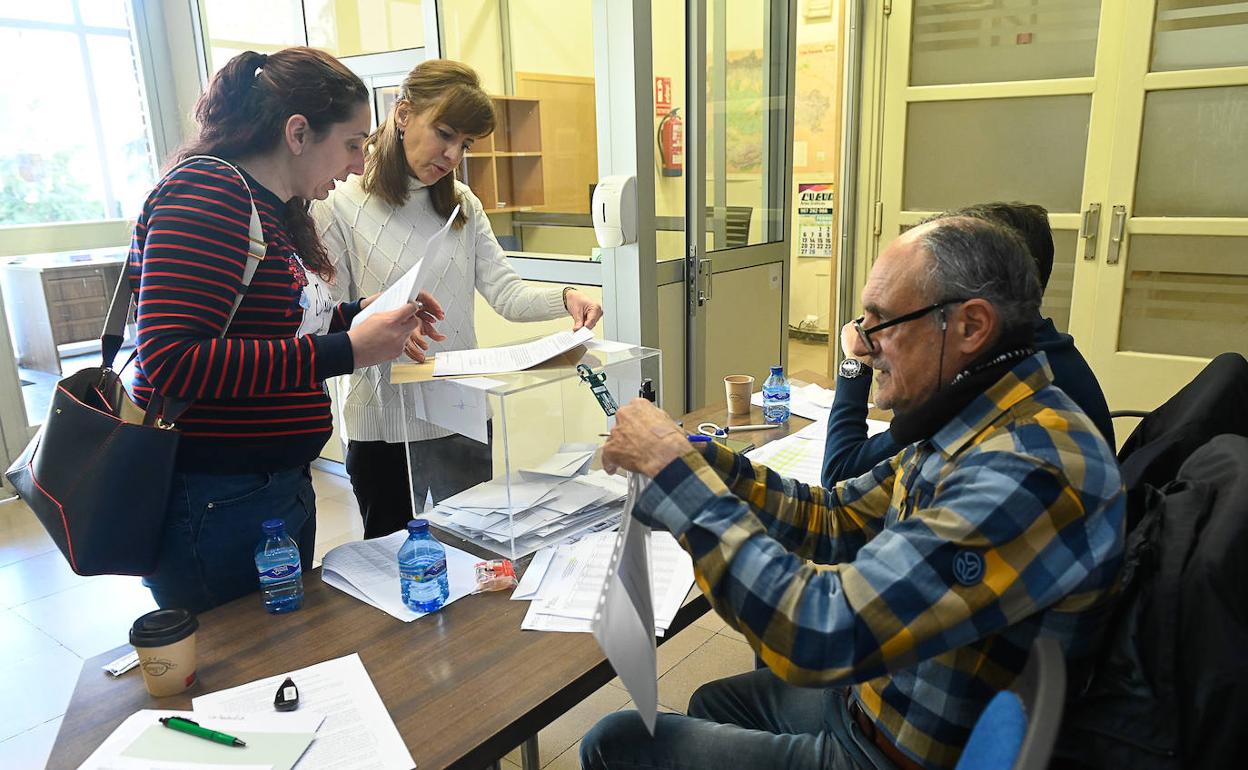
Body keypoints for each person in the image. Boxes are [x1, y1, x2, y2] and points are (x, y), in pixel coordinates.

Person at [583, 216, 1125, 770]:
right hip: (876, 703)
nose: (861, 347)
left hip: (887, 755)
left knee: (616, 744)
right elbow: (836, 519)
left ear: (969, 327)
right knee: (714, 703)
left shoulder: (1028, 471)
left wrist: (675, 476)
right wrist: (696, 460)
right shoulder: (975, 417)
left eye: (883, 322)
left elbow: (816, 632)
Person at [130, 47, 444, 612]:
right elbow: (171, 358)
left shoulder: (272, 209)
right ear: (298, 132)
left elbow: (282, 324)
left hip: (268, 486)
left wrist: (363, 314)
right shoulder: (210, 195)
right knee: (242, 668)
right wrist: (346, 349)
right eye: (351, 145)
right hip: (217, 494)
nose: (355, 165)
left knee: (280, 652)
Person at [313, 59, 604, 539]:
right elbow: (333, 321)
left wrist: (566, 297)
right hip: (383, 427)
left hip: (463, 413)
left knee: (475, 555)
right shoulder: (339, 203)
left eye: (465, 144)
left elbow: (506, 294)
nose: (452, 154)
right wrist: (385, 324)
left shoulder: (462, 203)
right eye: (444, 134)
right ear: (403, 115)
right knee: (399, 568)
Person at [823, 202, 1115, 487]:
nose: (862, 343)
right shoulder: (1018, 362)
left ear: (973, 323)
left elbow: (842, 473)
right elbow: (847, 510)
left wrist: (855, 367)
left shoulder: (1019, 452)